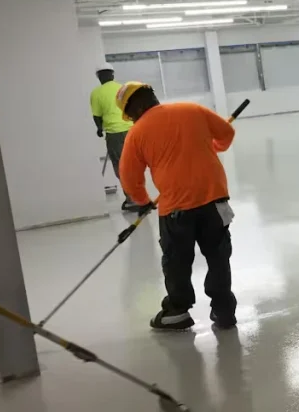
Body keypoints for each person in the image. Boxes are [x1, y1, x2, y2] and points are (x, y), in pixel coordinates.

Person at [116, 82, 238, 332]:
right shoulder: (192, 110)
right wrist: (214, 148)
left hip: (175, 209)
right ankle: (224, 309)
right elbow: (226, 133)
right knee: (218, 256)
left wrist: (144, 200)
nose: (132, 120)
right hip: (215, 200)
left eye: (130, 115)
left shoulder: (137, 133)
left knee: (177, 262)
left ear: (135, 108)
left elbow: (129, 179)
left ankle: (177, 311)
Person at [90, 62, 139, 212]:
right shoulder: (123, 89)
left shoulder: (96, 93)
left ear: (99, 77)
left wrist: (99, 129)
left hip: (114, 135)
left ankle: (132, 199)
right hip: (132, 131)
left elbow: (97, 116)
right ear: (112, 75)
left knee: (121, 166)